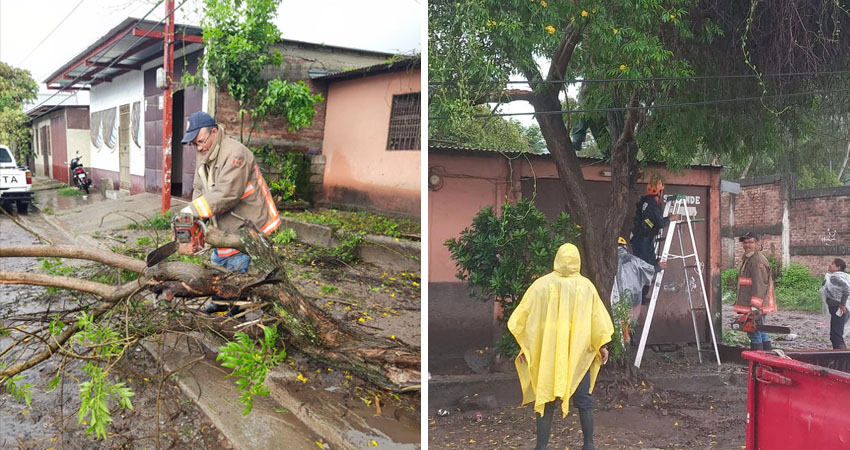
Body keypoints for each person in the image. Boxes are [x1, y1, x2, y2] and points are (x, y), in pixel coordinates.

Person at [508, 243, 614, 450]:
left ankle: (541, 446)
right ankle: (589, 445)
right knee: (584, 400)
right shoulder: (586, 287)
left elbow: (525, 319)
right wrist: (601, 345)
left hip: (548, 354)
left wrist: (527, 348)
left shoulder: (540, 286)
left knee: (546, 399)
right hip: (579, 355)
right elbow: (597, 321)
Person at [180, 111, 281, 313]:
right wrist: (193, 217)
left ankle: (236, 310)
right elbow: (199, 188)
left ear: (214, 132)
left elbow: (227, 193)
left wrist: (191, 211)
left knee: (238, 266)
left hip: (249, 221)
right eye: (194, 145)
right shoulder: (205, 153)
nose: (199, 148)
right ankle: (220, 303)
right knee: (219, 261)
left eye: (200, 141)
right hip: (226, 222)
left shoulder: (236, 154)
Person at [733, 232, 777, 350]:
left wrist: (755, 306)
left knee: (754, 331)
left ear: (757, 244)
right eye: (745, 242)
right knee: (760, 330)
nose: (747, 245)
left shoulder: (757, 260)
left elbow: (760, 284)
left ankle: (757, 360)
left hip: (756, 304)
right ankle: (767, 357)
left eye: (751, 242)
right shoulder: (749, 258)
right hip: (752, 301)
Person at [821, 258, 850, 349]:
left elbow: (846, 288)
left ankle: (843, 358)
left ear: (838, 267)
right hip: (841, 307)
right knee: (834, 335)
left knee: (836, 336)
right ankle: (837, 357)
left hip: (839, 308)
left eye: (833, 264)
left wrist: (842, 304)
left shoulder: (835, 277)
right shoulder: (843, 276)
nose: (830, 265)